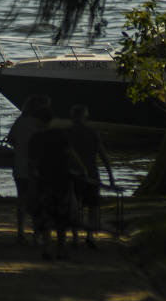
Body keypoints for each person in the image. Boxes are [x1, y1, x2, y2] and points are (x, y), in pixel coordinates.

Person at [30, 105, 87, 260]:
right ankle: (61, 250)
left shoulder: (36, 138)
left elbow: (33, 163)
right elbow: (71, 154)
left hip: (45, 180)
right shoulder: (60, 134)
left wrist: (33, 179)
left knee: (47, 216)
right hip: (62, 179)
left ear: (39, 120)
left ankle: (46, 249)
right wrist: (83, 169)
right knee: (62, 216)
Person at [67, 104, 115, 249]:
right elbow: (103, 154)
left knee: (74, 206)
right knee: (93, 206)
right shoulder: (92, 132)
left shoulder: (67, 133)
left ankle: (75, 236)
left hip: (73, 173)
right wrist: (110, 175)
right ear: (85, 116)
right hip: (91, 173)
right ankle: (90, 236)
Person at [6, 95, 50, 244]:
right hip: (37, 166)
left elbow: (10, 139)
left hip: (19, 163)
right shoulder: (39, 124)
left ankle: (20, 230)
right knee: (38, 198)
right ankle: (37, 232)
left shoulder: (20, 121)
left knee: (22, 198)